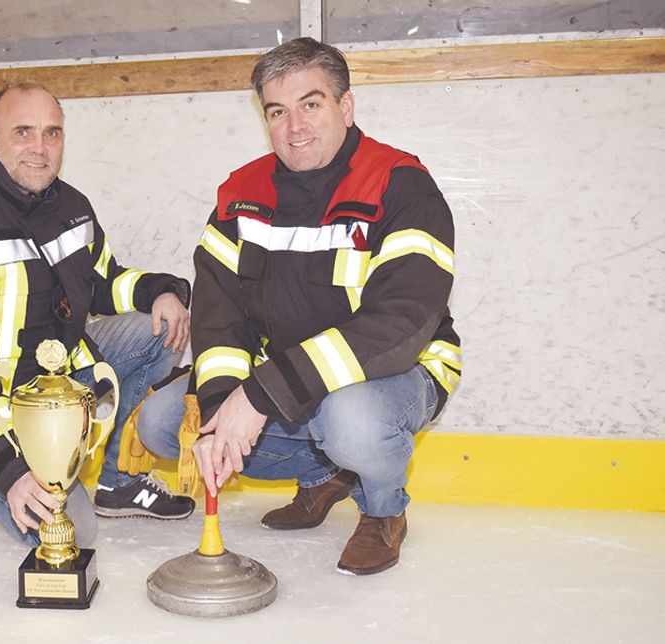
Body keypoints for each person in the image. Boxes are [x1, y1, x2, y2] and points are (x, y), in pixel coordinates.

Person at [135, 38, 461, 575]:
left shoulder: (402, 186)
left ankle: (383, 510)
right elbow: (221, 317)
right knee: (166, 424)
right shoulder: (240, 194)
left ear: (346, 107)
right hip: (290, 378)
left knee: (350, 420)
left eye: (311, 104)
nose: (295, 126)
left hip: (400, 371)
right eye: (278, 112)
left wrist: (261, 396)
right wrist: (221, 406)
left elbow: (399, 325)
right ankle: (324, 477)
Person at [0, 81, 195, 548]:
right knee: (70, 533)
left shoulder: (71, 206)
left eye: (52, 133)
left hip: (57, 385)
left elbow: (100, 283)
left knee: (157, 330)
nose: (40, 148)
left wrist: (161, 291)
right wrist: (9, 470)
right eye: (23, 132)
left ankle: (117, 481)